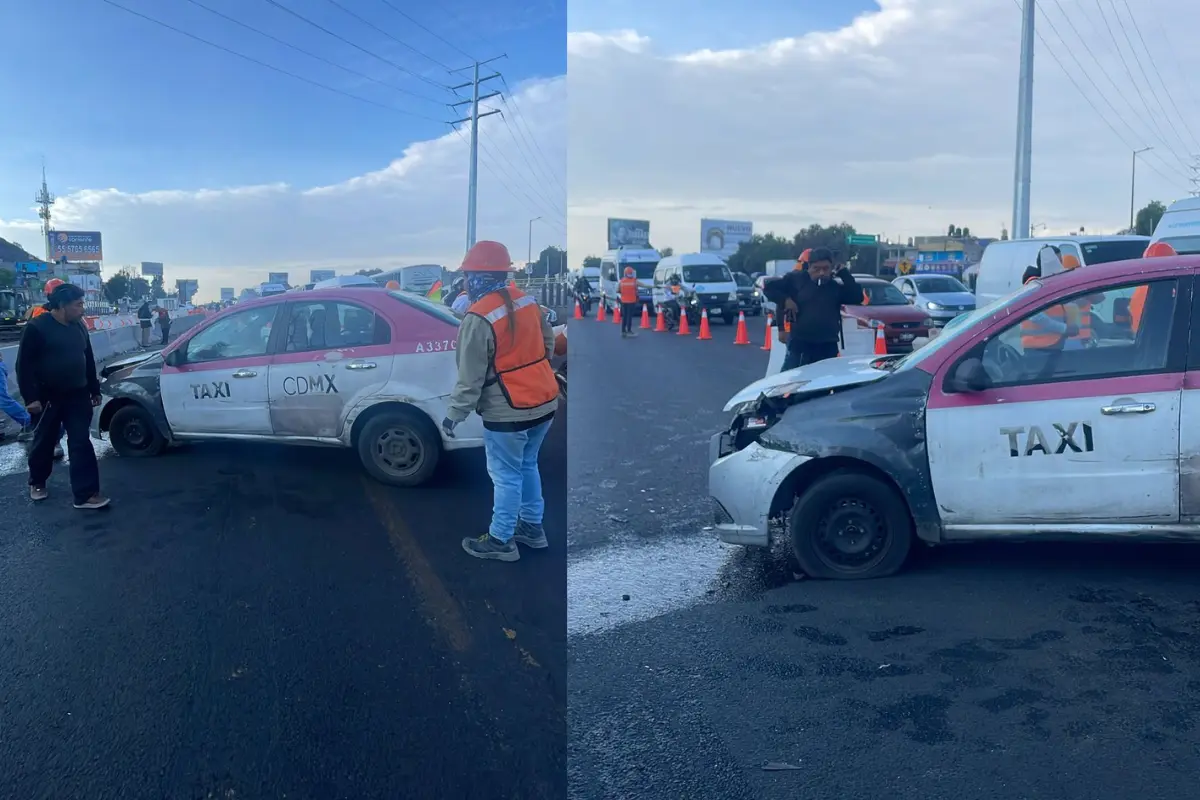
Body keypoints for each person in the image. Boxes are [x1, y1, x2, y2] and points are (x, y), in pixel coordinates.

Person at [442, 240, 559, 562]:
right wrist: (531, 374)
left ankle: (500, 540)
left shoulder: (477, 317)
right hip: (545, 401)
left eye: (467, 274)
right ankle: (533, 529)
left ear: (475, 277)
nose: (465, 280)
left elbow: (470, 377)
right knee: (527, 465)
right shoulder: (528, 302)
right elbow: (547, 346)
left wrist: (454, 415)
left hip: (508, 411)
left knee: (506, 475)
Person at [16, 282, 109, 509]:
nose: (82, 309)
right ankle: (37, 481)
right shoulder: (37, 328)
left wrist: (94, 389)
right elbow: (23, 366)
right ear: (62, 305)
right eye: (78, 305)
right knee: (44, 443)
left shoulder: (79, 327)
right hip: (47, 398)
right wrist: (31, 398)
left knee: (80, 443)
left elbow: (87, 358)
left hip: (77, 396)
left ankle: (86, 495)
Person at [762, 247, 862, 370]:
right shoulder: (796, 280)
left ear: (831, 268)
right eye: (816, 269)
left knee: (824, 384)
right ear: (809, 267)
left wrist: (844, 273)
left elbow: (857, 297)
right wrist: (786, 300)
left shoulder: (834, 287)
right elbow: (769, 288)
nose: (821, 273)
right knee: (790, 383)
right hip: (800, 344)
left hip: (827, 345)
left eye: (825, 269)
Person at [618, 266, 639, 338]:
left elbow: (617, 290)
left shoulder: (621, 281)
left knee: (624, 316)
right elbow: (644, 286)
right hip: (631, 301)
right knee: (629, 316)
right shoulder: (634, 281)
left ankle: (623, 331)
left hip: (623, 301)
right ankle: (629, 330)